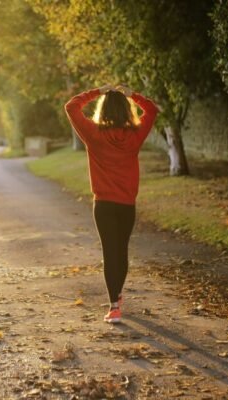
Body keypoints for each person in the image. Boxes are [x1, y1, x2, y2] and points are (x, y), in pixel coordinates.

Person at [64, 84, 159, 323]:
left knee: (110, 252)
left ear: (103, 109)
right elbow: (152, 110)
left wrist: (97, 91)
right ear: (127, 110)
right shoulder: (135, 135)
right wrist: (132, 94)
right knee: (121, 250)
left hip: (103, 205)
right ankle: (117, 295)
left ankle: (114, 306)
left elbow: (71, 106)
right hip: (127, 204)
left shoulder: (94, 134)